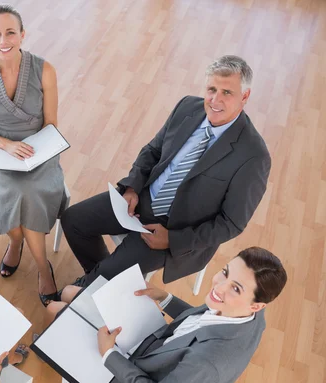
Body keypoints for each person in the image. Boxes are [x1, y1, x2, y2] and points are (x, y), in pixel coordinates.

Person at [60, 55, 271, 288]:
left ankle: (96, 283)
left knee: (109, 272)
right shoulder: (187, 107)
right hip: (142, 200)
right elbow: (153, 150)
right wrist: (132, 187)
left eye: (227, 92)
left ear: (245, 96)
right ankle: (99, 281)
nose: (215, 100)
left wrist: (172, 239)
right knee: (73, 220)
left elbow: (231, 223)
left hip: (177, 229)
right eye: (211, 89)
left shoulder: (254, 156)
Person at [46, 247, 287, 383]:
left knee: (54, 308)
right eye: (225, 272)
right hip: (155, 340)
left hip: (131, 380)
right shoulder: (251, 314)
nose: (218, 287)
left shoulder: (208, 364)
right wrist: (166, 298)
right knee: (69, 292)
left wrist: (109, 354)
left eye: (235, 288)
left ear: (257, 304)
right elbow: (204, 319)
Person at [0, 4, 66, 306]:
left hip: (38, 150)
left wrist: (34, 151)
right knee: (9, 190)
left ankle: (41, 265)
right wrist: (5, 145)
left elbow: (51, 124)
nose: (3, 39)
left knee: (31, 189)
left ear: (23, 35)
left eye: (10, 32)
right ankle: (16, 240)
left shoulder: (45, 70)